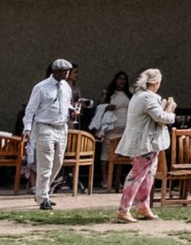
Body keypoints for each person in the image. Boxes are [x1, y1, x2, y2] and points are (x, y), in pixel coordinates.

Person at [113, 67, 177, 224]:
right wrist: (171, 111)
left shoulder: (139, 96)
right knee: (137, 174)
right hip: (145, 142)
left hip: (148, 142)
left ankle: (143, 205)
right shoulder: (147, 98)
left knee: (149, 174)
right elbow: (161, 117)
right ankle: (124, 209)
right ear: (155, 83)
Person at [21, 58, 78, 211]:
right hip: (45, 127)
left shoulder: (65, 86)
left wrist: (72, 111)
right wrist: (27, 128)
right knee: (45, 163)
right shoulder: (41, 87)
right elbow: (30, 109)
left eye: (68, 71)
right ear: (55, 71)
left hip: (61, 126)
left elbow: (66, 104)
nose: (66, 74)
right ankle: (43, 198)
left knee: (58, 162)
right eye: (63, 71)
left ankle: (42, 192)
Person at [89, 70, 132, 145]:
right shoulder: (109, 93)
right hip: (113, 126)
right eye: (120, 79)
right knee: (108, 147)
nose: (122, 81)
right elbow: (99, 106)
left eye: (124, 79)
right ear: (115, 80)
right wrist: (106, 106)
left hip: (126, 126)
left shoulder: (129, 94)